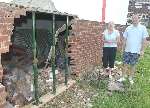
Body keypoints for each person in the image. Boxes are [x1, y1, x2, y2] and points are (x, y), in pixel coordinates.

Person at [118, 14, 149, 84]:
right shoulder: (128, 28)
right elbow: (124, 39)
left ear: (139, 19)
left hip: (136, 51)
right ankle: (123, 77)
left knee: (133, 65)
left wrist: (143, 50)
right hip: (127, 50)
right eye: (133, 19)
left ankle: (130, 78)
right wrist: (122, 48)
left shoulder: (143, 28)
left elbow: (145, 40)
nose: (134, 20)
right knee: (125, 64)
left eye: (136, 19)